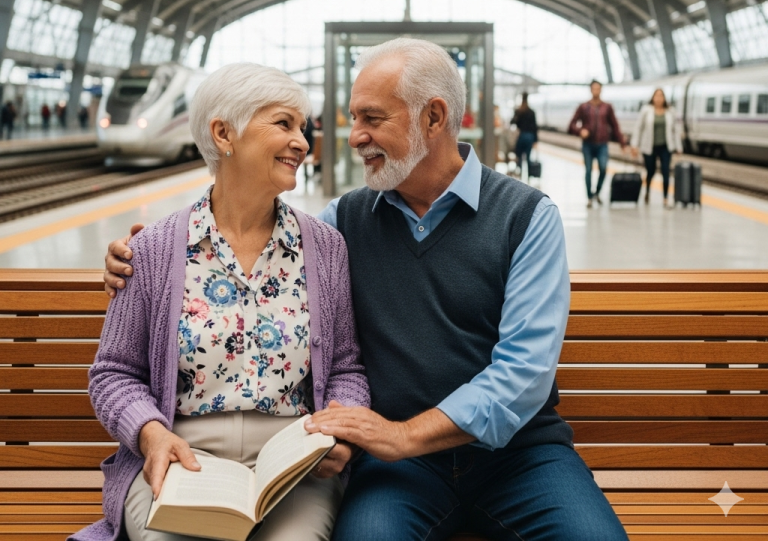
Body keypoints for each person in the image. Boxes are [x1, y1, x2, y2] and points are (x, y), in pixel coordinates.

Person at [104, 40, 628, 541]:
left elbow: (523, 374)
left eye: (371, 119)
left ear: (434, 118)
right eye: (353, 118)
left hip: (520, 456)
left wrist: (399, 436)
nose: (353, 136)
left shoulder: (526, 218)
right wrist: (146, 253)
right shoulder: (342, 225)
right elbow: (257, 237)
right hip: (399, 470)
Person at [76, 63, 369, 541]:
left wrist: (340, 432)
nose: (302, 141)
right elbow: (113, 374)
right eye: (283, 123)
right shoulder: (152, 249)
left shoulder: (326, 247)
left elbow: (346, 370)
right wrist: (151, 434)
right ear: (223, 133)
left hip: (292, 463)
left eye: (303, 127)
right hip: (182, 455)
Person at [568, 80, 628, 208]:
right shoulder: (583, 107)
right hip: (587, 145)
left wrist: (622, 143)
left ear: (601, 90)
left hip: (602, 144)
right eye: (594, 88)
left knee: (603, 169)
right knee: (588, 171)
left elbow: (614, 126)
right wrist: (580, 131)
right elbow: (571, 125)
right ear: (590, 90)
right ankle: (589, 197)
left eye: (598, 89)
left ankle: (597, 192)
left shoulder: (607, 107)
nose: (596, 91)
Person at [631, 88, 683, 207]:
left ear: (664, 98)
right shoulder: (646, 110)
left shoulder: (670, 111)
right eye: (657, 96)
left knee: (666, 171)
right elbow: (638, 128)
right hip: (649, 147)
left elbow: (676, 130)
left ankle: (665, 198)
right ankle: (647, 190)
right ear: (653, 98)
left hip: (666, 146)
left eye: (661, 96)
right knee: (651, 171)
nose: (659, 98)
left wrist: (678, 146)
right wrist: (634, 145)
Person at [510, 92, 538, 179]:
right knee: (528, 157)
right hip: (530, 136)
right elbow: (534, 127)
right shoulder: (531, 112)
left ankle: (520, 175)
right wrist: (536, 141)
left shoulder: (519, 111)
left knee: (519, 156)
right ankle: (529, 177)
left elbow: (512, 122)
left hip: (521, 136)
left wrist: (516, 116)